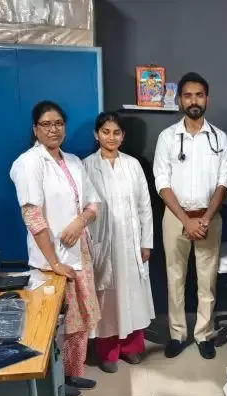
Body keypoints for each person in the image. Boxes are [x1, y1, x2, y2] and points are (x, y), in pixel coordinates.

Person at [10, 100, 101, 396]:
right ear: (35, 129)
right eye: (47, 124)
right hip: (51, 261)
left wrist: (79, 222)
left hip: (79, 252)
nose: (54, 129)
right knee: (55, 325)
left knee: (79, 320)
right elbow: (32, 216)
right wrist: (54, 262)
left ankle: (73, 374)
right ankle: (53, 385)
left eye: (59, 123)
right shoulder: (28, 163)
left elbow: (94, 203)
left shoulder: (73, 161)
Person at [152, 72, 227, 359]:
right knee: (175, 278)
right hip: (176, 218)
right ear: (179, 100)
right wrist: (186, 220)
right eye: (188, 95)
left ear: (207, 99)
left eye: (199, 95)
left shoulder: (219, 138)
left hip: (210, 217)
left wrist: (206, 218)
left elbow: (224, 182)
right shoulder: (167, 138)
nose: (194, 100)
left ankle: (203, 334)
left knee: (207, 280)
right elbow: (162, 181)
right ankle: (177, 334)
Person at [84, 112, 155, 373]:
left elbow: (144, 206)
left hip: (130, 244)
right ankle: (108, 352)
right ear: (96, 134)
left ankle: (131, 348)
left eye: (116, 132)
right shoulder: (86, 166)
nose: (111, 137)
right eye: (105, 132)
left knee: (133, 296)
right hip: (103, 245)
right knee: (107, 299)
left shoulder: (133, 165)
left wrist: (146, 242)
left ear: (123, 136)